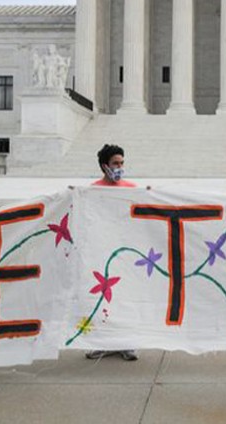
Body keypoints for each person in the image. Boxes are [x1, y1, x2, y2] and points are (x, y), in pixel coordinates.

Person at [87, 144, 138, 361]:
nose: (119, 167)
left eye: (122, 163)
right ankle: (102, 342)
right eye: (115, 163)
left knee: (126, 297)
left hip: (125, 250)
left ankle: (126, 343)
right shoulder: (92, 190)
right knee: (102, 298)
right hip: (101, 248)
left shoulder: (131, 188)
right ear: (104, 166)